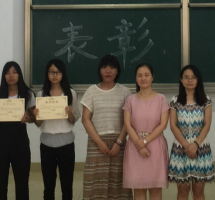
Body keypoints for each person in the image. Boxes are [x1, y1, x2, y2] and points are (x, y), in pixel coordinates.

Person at [81, 55, 133, 200]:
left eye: (112, 67)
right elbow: (85, 119)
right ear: (99, 70)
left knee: (118, 182)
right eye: (104, 67)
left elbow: (128, 121)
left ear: (117, 71)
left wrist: (119, 142)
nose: (108, 71)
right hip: (96, 142)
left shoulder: (125, 92)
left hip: (119, 143)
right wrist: (99, 142)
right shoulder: (91, 91)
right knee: (95, 181)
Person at [33, 59, 81, 201]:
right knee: (48, 184)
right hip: (46, 143)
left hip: (66, 143)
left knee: (67, 183)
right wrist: (36, 116)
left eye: (58, 72)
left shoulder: (70, 93)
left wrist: (69, 113)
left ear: (63, 74)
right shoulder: (41, 95)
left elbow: (73, 120)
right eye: (52, 72)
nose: (55, 75)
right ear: (47, 74)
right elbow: (38, 123)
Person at [0, 61, 36, 200]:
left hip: (20, 143)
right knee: (0, 184)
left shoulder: (28, 94)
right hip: (0, 143)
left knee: (22, 184)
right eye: (7, 73)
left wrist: (28, 118)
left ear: (19, 75)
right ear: (4, 76)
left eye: (14, 72)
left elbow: (34, 118)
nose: (11, 76)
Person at [123, 63, 170, 201]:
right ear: (136, 78)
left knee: (155, 189)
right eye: (140, 75)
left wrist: (144, 142)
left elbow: (163, 125)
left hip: (155, 146)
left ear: (152, 77)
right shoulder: (130, 100)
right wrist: (139, 144)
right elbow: (127, 124)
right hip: (134, 147)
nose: (143, 78)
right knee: (138, 190)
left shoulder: (161, 99)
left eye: (146, 75)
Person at [169, 65, 215, 201]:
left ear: (198, 80)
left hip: (200, 148)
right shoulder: (175, 100)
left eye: (193, 77)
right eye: (186, 77)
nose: (190, 80)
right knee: (182, 192)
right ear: (181, 80)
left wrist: (195, 144)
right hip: (180, 149)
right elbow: (173, 125)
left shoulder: (206, 100)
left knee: (198, 192)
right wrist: (186, 146)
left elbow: (207, 125)